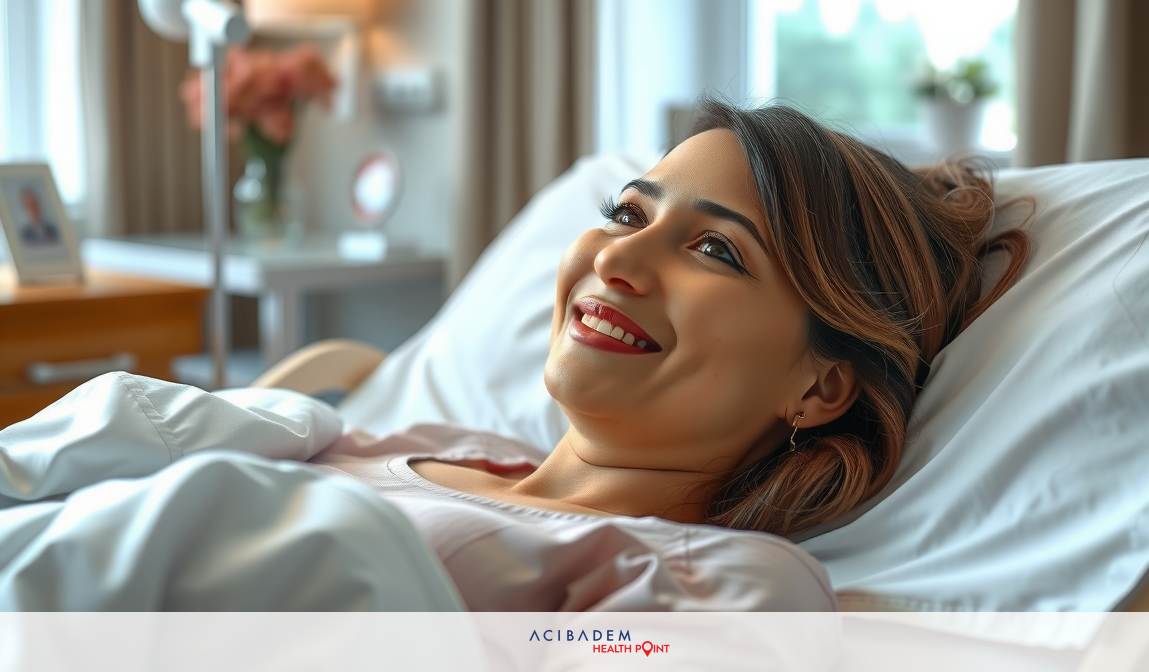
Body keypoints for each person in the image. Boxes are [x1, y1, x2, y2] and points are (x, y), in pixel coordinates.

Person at [0, 97, 1029, 612]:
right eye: (629, 210)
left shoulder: (712, 583)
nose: (619, 255)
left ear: (822, 380)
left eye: (715, 248)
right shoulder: (418, 434)